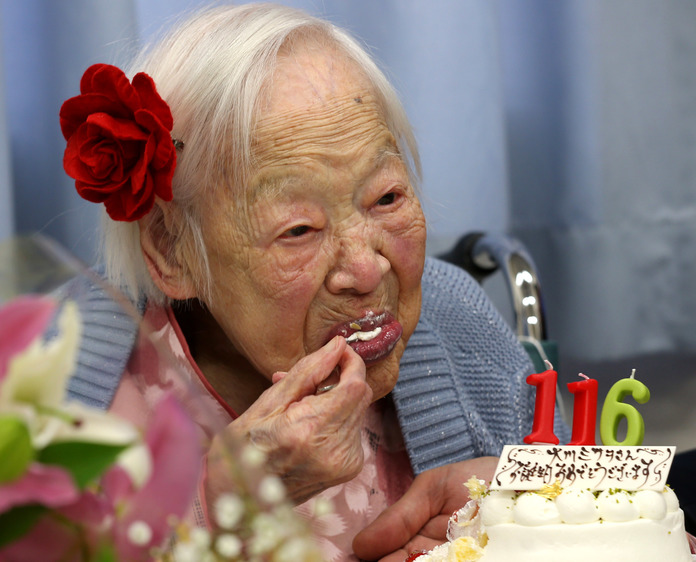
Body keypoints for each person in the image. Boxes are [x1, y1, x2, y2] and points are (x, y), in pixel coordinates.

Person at [58, 4, 568, 560]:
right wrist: (219, 505)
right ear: (173, 250)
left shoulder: (455, 318)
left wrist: (533, 517)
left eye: (387, 198)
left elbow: (606, 513)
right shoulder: (65, 391)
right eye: (299, 229)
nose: (367, 270)